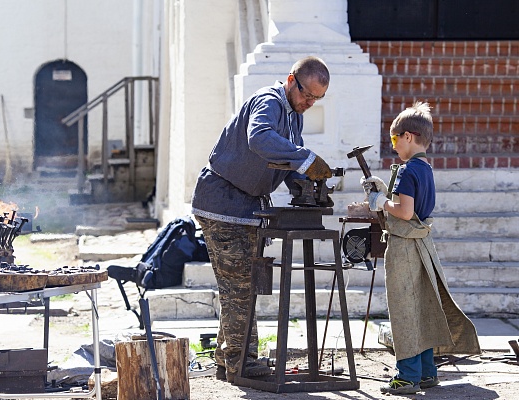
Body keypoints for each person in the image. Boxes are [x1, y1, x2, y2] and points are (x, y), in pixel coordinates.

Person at [191, 56, 333, 383]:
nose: (309, 103)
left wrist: (309, 182)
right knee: (241, 286)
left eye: (317, 99)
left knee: (239, 286)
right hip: (222, 203)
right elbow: (260, 139)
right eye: (307, 95)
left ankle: (228, 359)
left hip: (247, 208)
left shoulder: (294, 116)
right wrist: (307, 159)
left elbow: (287, 163)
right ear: (290, 80)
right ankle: (244, 362)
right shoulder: (269, 101)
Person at [361, 102, 481, 395]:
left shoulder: (406, 171)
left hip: (404, 248)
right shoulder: (425, 168)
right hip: (424, 246)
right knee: (424, 309)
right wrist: (384, 193)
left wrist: (380, 202)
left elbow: (403, 212)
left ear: (409, 137)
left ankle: (407, 376)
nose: (393, 146)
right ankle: (427, 373)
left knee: (405, 313)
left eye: (394, 139)